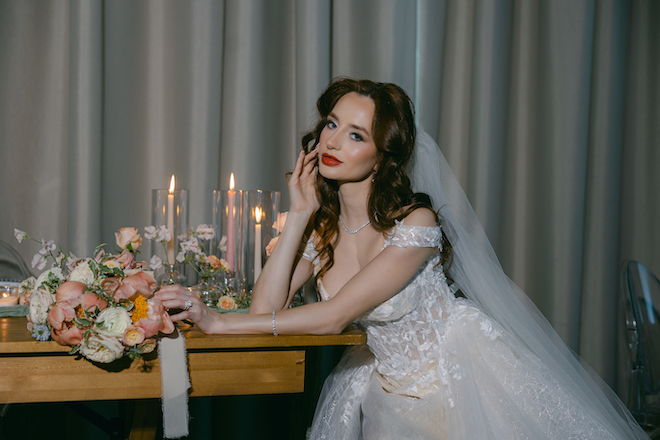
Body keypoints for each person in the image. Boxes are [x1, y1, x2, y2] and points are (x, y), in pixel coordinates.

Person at [157, 78, 648, 439]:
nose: (331, 141)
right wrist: (300, 210)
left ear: (382, 154)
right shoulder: (321, 227)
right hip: (381, 386)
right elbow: (265, 314)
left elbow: (332, 318)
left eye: (356, 134)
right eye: (332, 124)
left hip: (458, 378)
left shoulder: (416, 224)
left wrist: (218, 324)